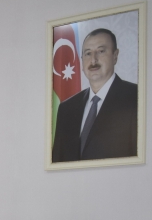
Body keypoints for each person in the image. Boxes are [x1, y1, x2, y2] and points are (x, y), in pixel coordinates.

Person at [52, 28, 138, 162]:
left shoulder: (135, 97)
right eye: (88, 53)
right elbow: (57, 162)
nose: (93, 60)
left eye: (101, 51)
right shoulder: (66, 109)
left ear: (115, 56)